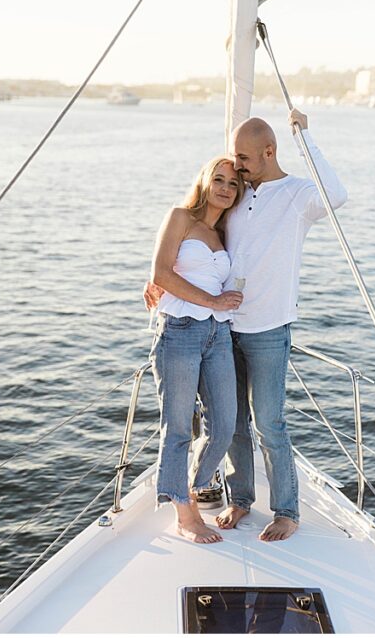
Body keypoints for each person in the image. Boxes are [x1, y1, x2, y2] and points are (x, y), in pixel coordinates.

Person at [145, 108, 347, 542]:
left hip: (268, 329)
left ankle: (286, 511)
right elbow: (195, 256)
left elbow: (337, 194)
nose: (235, 168)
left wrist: (305, 137)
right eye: (230, 165)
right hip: (220, 329)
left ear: (269, 151)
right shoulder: (236, 199)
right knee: (231, 423)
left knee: (269, 423)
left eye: (242, 159)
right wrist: (158, 279)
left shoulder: (297, 194)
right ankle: (240, 500)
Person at [148, 156, 244, 543]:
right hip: (181, 333)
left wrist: (219, 307)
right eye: (218, 179)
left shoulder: (224, 233)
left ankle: (190, 485)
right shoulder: (180, 218)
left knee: (224, 424)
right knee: (178, 428)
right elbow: (161, 272)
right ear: (205, 181)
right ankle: (184, 514)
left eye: (233, 184)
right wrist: (213, 301)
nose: (224, 187)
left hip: (217, 336)